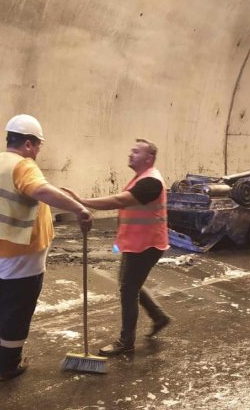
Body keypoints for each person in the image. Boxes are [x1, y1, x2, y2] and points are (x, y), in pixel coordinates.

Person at [0, 114, 93, 381]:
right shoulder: (23, 165)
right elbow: (40, 190)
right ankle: (7, 366)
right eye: (37, 146)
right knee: (17, 311)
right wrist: (79, 208)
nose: (37, 152)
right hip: (21, 258)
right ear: (27, 143)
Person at [63, 139, 171, 356]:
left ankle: (126, 341)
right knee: (129, 285)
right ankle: (159, 317)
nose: (130, 154)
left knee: (128, 289)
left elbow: (118, 201)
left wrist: (83, 201)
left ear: (149, 158)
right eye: (131, 150)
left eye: (136, 151)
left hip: (146, 245)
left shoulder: (151, 182)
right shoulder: (141, 178)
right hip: (136, 243)